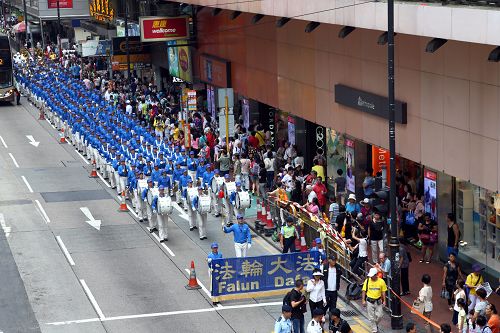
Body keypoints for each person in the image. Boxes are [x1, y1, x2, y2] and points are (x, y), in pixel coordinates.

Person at [361, 267, 387, 333]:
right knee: (371, 317)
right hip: (369, 301)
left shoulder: (381, 281)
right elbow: (364, 291)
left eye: (372, 275)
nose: (371, 277)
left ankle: (374, 325)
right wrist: (363, 300)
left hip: (378, 301)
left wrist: (384, 301)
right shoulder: (367, 281)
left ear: (376, 275)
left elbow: (383, 292)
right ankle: (374, 330)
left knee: (380, 315)